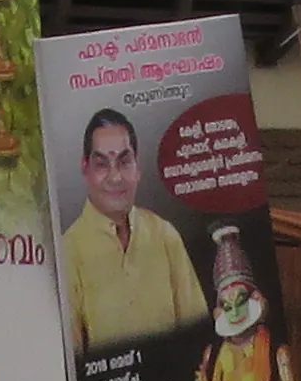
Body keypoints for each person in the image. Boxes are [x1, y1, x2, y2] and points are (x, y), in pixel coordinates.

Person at [59, 111, 203, 350]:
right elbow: (73, 361)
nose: (115, 177)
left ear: (138, 167)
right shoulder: (68, 251)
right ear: (85, 168)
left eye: (124, 162)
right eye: (101, 164)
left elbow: (199, 336)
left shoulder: (164, 235)